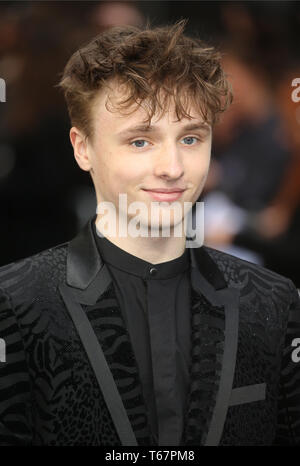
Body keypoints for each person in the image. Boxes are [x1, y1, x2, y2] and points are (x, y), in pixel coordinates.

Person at [0, 20, 299, 446]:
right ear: (82, 147)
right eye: (141, 141)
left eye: (191, 138)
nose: (172, 167)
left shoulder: (273, 302)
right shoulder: (16, 304)